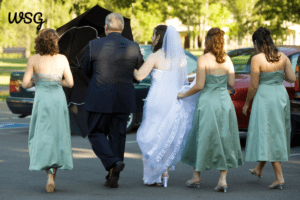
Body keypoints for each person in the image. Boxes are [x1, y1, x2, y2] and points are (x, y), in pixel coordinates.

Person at [81, 13, 144, 188]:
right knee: (118, 136)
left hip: (99, 96)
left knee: (95, 132)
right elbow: (138, 75)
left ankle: (113, 163)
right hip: (124, 98)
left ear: (106, 27)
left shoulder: (94, 45)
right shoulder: (133, 46)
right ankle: (113, 173)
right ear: (122, 28)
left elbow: (86, 70)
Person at [178, 27, 244, 193]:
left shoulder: (203, 59)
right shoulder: (227, 60)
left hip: (207, 102)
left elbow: (199, 85)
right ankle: (222, 179)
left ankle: (196, 176)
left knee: (201, 136)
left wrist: (183, 94)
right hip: (224, 103)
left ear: (208, 40)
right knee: (224, 138)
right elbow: (231, 83)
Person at [135, 25, 199, 187]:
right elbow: (182, 80)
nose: (151, 38)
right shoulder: (180, 58)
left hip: (156, 100)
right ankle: (165, 172)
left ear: (159, 37)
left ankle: (152, 175)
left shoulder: (155, 57)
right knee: (166, 135)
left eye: (153, 35)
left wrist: (134, 63)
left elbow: (139, 76)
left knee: (152, 134)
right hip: (173, 100)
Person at [242, 27, 296, 190]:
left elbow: (253, 86)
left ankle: (279, 177)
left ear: (257, 43)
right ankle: (259, 168)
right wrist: (279, 73)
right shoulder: (283, 57)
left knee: (269, 134)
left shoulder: (257, 59)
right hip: (280, 97)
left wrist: (246, 103)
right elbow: (292, 78)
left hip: (265, 98)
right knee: (273, 132)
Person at [22, 28, 74, 193]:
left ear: (40, 42)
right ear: (55, 42)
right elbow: (70, 83)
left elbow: (25, 84)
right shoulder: (62, 59)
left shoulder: (33, 60)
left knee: (44, 136)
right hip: (58, 100)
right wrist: (57, 81)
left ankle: (49, 175)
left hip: (42, 101)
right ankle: (53, 174)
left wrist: (36, 81)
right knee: (57, 135)